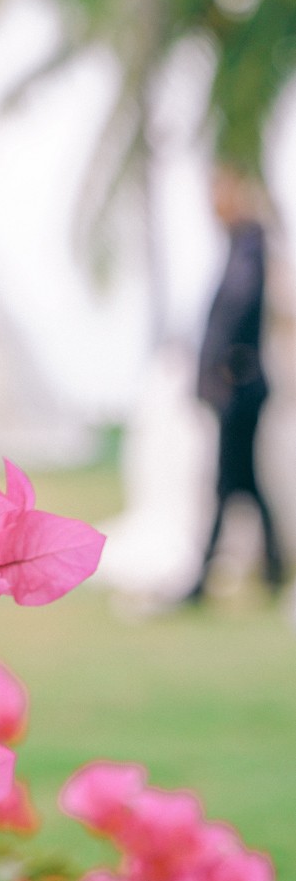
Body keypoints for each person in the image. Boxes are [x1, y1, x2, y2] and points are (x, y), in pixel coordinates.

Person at [186, 163, 284, 601]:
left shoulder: (249, 243)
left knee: (229, 484)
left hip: (240, 385)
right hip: (240, 385)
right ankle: (273, 571)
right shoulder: (240, 245)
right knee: (242, 484)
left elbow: (236, 311)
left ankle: (204, 578)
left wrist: (222, 369)